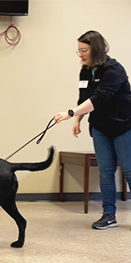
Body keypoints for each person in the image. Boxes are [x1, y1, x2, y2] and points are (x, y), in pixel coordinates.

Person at [54, 30, 131, 230]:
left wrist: (70, 113)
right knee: (106, 172)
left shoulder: (114, 70)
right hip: (100, 127)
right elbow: (84, 98)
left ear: (96, 49)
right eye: (78, 50)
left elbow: (99, 98)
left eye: (84, 50)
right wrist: (77, 119)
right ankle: (109, 215)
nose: (80, 54)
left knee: (129, 170)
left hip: (124, 125)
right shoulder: (86, 71)